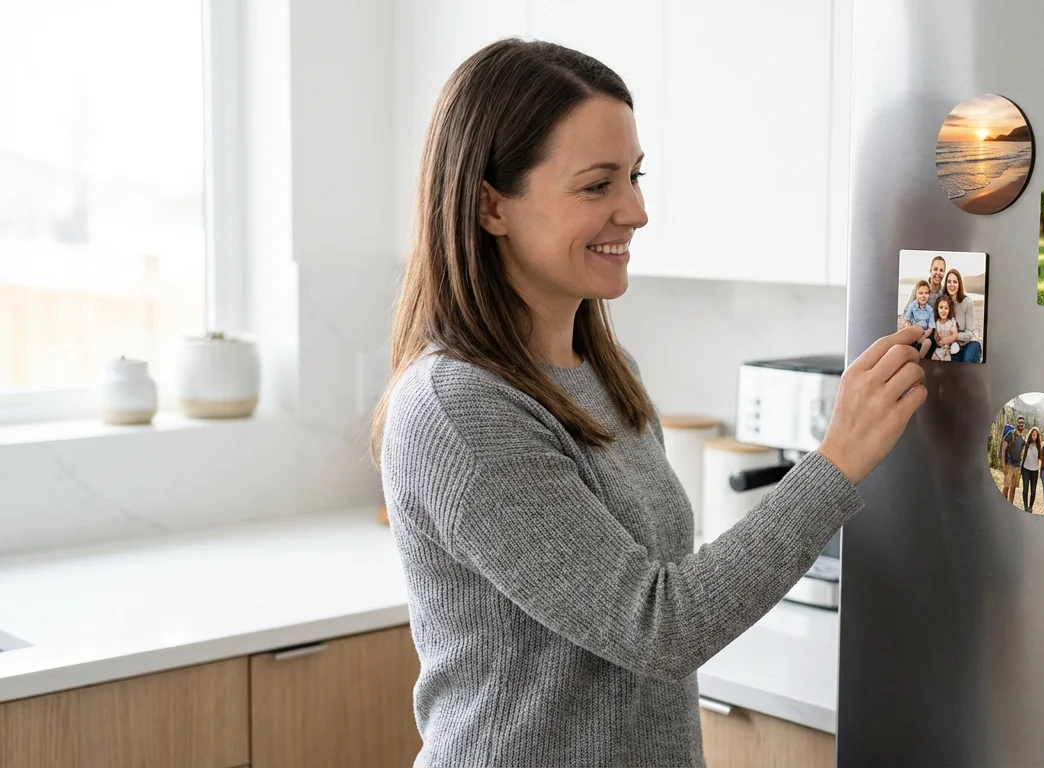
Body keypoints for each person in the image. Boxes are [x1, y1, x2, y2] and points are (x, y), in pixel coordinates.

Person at [371, 39, 928, 768]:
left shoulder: (606, 372)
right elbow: (659, 627)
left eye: (634, 177)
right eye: (597, 185)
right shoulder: (458, 407)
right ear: (489, 205)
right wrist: (837, 460)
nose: (635, 211)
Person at [940, 269, 984, 363]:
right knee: (956, 369)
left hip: (970, 342)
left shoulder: (967, 302)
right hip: (954, 346)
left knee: (967, 360)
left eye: (955, 282)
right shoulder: (943, 303)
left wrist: (954, 337)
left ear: (959, 284)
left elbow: (970, 333)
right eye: (949, 281)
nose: (952, 285)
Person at [899, 279, 935, 358]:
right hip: (913, 332)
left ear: (929, 295)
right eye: (920, 293)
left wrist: (924, 336)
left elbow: (931, 327)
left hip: (924, 334)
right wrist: (912, 332)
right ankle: (911, 354)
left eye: (926, 293)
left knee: (928, 342)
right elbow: (907, 320)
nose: (923, 296)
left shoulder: (929, 309)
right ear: (916, 294)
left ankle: (919, 357)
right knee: (906, 339)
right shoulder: (912, 306)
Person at [1000, 415, 1026, 504]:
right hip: (1009, 465)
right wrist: (1004, 464)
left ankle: (1010, 504)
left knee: (1013, 488)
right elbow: (1003, 448)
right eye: (1019, 422)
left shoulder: (1023, 439)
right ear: (1017, 423)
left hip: (1017, 466)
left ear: (1024, 424)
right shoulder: (1011, 434)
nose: (1021, 424)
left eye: (1022, 422)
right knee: (1006, 486)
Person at [931, 294, 959, 361]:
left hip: (949, 348)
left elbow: (955, 335)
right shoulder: (936, 322)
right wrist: (937, 339)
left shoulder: (951, 321)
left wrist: (946, 340)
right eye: (941, 307)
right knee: (934, 359)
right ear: (937, 309)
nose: (943, 310)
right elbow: (936, 336)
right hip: (940, 347)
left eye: (946, 308)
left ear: (949, 310)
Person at [1020, 427, 1042, 512]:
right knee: (1025, 489)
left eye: (1036, 435)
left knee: (1033, 490)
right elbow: (1021, 454)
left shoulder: (1039, 446)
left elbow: (1041, 458)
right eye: (1033, 434)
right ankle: (1025, 506)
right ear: (1030, 435)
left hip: (1035, 471)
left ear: (1037, 436)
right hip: (1025, 470)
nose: (1034, 436)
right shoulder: (1026, 444)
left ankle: (1031, 507)